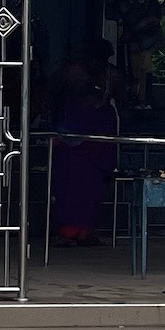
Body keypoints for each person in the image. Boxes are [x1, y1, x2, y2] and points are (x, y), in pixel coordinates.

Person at [50, 61, 119, 247]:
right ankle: (66, 233)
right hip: (73, 158)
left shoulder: (106, 108)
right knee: (71, 195)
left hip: (97, 160)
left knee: (93, 195)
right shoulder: (73, 105)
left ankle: (84, 232)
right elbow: (64, 134)